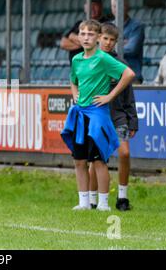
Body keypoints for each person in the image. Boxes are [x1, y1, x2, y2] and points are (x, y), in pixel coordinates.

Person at [61, 20, 135, 211]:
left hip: (98, 115)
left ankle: (103, 203)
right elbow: (73, 80)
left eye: (91, 34)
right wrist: (74, 94)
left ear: (97, 38)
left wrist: (110, 96)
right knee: (79, 160)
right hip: (80, 114)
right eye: (82, 34)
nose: (86, 38)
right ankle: (84, 202)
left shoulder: (104, 58)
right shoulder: (76, 59)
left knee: (98, 160)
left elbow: (128, 74)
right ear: (78, 36)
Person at [88, 23, 138, 211]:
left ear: (116, 42)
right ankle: (93, 200)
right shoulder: (89, 61)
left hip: (118, 117)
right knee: (96, 159)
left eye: (112, 40)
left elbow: (128, 94)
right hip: (97, 115)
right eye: (105, 38)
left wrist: (132, 119)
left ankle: (122, 197)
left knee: (124, 153)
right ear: (99, 38)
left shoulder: (121, 65)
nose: (108, 43)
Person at [60, 0, 111, 65]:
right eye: (89, 5)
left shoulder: (106, 24)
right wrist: (86, 44)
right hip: (77, 70)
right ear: (85, 8)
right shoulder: (79, 23)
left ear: (101, 7)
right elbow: (63, 43)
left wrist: (75, 39)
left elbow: (100, 45)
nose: (92, 8)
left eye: (95, 5)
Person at [110, 0, 145, 84]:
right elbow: (101, 49)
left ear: (127, 7)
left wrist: (112, 46)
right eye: (114, 6)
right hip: (112, 77)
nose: (116, 9)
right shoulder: (108, 27)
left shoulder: (137, 26)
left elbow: (132, 49)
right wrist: (122, 43)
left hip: (132, 76)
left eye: (120, 6)